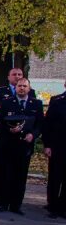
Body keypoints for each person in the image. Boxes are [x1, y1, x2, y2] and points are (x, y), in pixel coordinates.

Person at [0, 78, 43, 214]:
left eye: (24, 86)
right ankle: (3, 203)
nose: (22, 88)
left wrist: (33, 135)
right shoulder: (7, 102)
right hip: (9, 144)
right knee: (6, 174)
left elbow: (40, 124)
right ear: (16, 88)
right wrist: (9, 129)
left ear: (29, 88)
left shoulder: (36, 104)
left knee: (21, 176)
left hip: (25, 146)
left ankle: (16, 205)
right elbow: (1, 122)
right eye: (19, 86)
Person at [0, 68, 36, 203]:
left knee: (19, 171)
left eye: (20, 75)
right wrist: (10, 121)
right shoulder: (1, 92)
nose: (17, 77)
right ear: (8, 77)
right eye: (14, 75)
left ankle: (14, 200)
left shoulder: (31, 93)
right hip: (5, 135)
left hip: (23, 138)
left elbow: (34, 117)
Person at [43, 81, 66, 218]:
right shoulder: (57, 101)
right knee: (55, 177)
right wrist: (47, 145)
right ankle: (53, 206)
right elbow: (48, 125)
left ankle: (63, 207)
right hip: (58, 146)